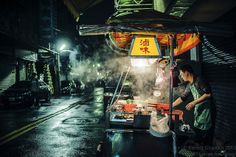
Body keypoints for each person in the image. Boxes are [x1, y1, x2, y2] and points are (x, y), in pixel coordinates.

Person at [173, 64, 212, 145]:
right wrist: (171, 105)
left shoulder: (199, 80)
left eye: (181, 74)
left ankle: (204, 150)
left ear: (186, 72)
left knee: (204, 133)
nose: (181, 76)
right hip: (199, 110)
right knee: (198, 132)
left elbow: (208, 94)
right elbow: (183, 97)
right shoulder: (190, 84)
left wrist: (193, 102)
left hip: (206, 111)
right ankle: (198, 147)